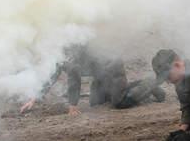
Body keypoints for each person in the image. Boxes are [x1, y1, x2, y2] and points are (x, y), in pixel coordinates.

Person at [21, 45, 165, 115]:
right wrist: (34, 98)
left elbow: (74, 77)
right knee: (96, 103)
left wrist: (73, 105)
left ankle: (150, 83)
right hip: (100, 75)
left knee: (119, 103)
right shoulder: (59, 53)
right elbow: (51, 75)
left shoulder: (70, 52)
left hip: (112, 68)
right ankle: (132, 86)